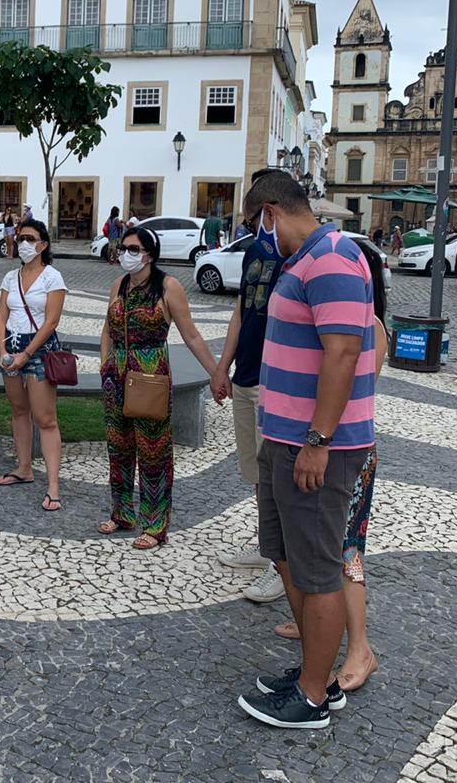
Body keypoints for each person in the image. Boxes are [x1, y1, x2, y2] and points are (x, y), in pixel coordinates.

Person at [235, 171, 376, 730]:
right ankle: (310, 670)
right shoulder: (302, 261)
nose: (254, 234)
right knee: (287, 555)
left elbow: (342, 355)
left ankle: (315, 697)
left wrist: (318, 442)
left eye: (253, 223)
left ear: (271, 210)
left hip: (316, 446)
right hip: (284, 438)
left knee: (317, 568)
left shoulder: (334, 258)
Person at [272, 240, 388, 694]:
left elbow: (353, 383)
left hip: (342, 448)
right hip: (326, 441)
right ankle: (321, 636)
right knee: (324, 552)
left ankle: (360, 647)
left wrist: (317, 438)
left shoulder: (370, 327)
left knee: (346, 551)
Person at [98, 226, 219, 549]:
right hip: (117, 376)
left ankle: (155, 524)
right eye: (123, 247)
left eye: (133, 249)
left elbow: (191, 334)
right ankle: (122, 512)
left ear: (149, 254)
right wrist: (104, 363)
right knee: (118, 447)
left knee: (153, 451)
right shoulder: (118, 285)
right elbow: (108, 328)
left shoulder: (168, 287)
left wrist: (217, 373)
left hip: (150, 375)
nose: (126, 253)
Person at [211, 169, 288, 603]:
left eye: (251, 210)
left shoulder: (295, 255)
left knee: (278, 477)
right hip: (245, 374)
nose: (247, 219)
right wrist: (223, 366)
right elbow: (243, 309)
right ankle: (268, 548)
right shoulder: (254, 251)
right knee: (257, 475)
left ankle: (283, 565)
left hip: (273, 381)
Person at [0, 219, 67, 511]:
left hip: (40, 349)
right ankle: (23, 468)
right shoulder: (11, 277)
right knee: (18, 410)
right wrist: (2, 348)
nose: (24, 243)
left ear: (43, 245)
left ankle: (53, 486)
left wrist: (27, 353)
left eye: (30, 238)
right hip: (11, 347)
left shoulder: (52, 277)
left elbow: (51, 321)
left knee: (45, 418)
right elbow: (0, 315)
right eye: (20, 237)